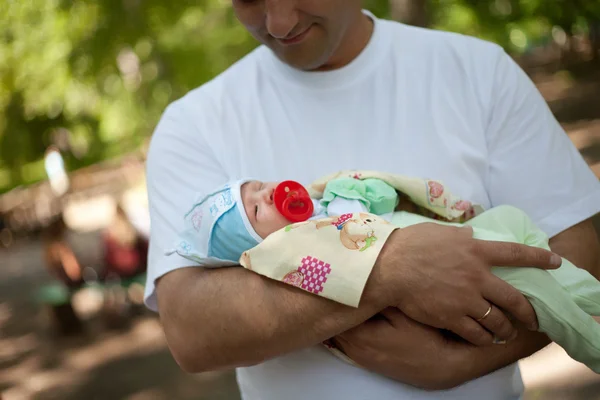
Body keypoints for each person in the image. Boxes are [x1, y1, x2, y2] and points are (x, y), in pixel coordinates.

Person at [144, 3, 600, 399]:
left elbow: (578, 255)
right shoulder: (193, 125)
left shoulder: (477, 71)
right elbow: (190, 328)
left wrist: (460, 364)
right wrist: (388, 267)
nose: (279, 22)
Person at [169, 174, 600, 372]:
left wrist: (357, 190)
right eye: (257, 208)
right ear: (255, 246)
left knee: (520, 228)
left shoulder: (325, 202)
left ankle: (590, 297)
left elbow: (382, 195)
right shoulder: (291, 255)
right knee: (535, 288)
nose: (267, 193)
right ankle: (591, 340)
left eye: (257, 186)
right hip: (461, 274)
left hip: (464, 236)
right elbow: (342, 276)